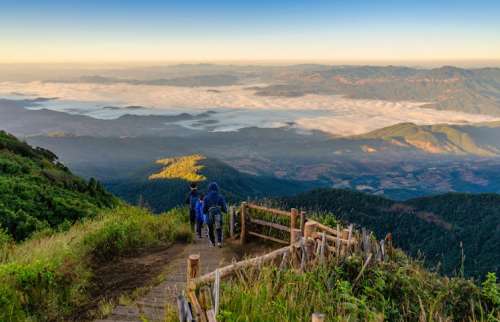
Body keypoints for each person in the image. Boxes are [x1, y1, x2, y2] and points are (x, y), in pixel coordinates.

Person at [203, 182, 227, 247]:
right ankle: (219, 242)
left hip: (209, 215)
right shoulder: (220, 197)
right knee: (218, 227)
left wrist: (205, 212)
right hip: (218, 215)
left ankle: (213, 242)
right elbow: (224, 207)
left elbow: (204, 210)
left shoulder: (206, 198)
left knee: (210, 229)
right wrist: (225, 211)